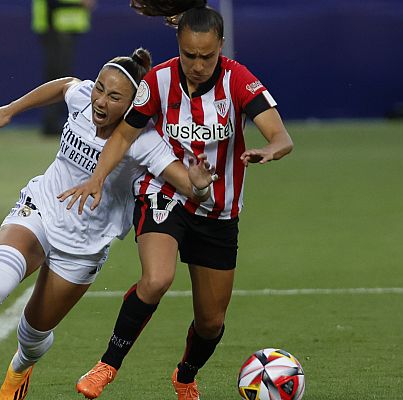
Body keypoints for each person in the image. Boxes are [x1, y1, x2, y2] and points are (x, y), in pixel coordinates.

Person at [0, 48, 217, 400]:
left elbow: (194, 194)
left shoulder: (144, 140)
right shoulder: (83, 101)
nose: (100, 101)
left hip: (83, 247)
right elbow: (64, 86)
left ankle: (20, 367)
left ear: (132, 104)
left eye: (114, 96)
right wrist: (10, 110)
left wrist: (199, 183)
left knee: (33, 334)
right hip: (40, 211)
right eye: (100, 88)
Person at [64, 3, 294, 399]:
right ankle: (107, 365)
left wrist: (271, 149)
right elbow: (122, 135)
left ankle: (185, 376)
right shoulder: (158, 80)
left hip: (218, 212)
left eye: (207, 56)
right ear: (178, 44)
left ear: (220, 46)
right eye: (189, 55)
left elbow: (282, 135)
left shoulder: (238, 80)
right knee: (157, 279)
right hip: (166, 194)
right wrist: (97, 178)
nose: (198, 64)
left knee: (210, 323)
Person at [32, 0, 94, 137]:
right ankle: (52, 123)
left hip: (60, 25)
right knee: (58, 77)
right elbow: (52, 3)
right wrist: (79, 4)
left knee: (61, 75)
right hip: (55, 25)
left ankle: (56, 121)